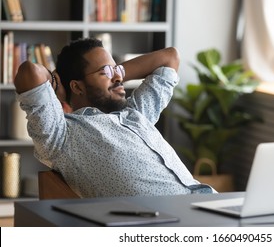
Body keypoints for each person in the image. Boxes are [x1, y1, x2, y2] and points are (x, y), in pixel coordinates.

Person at [14, 37, 215, 198]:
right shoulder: (61, 135)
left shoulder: (136, 113)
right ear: (77, 87)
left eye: (116, 69)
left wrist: (115, 74)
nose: (119, 78)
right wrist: (58, 84)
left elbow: (170, 57)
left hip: (207, 204)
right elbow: (29, 72)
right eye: (106, 71)